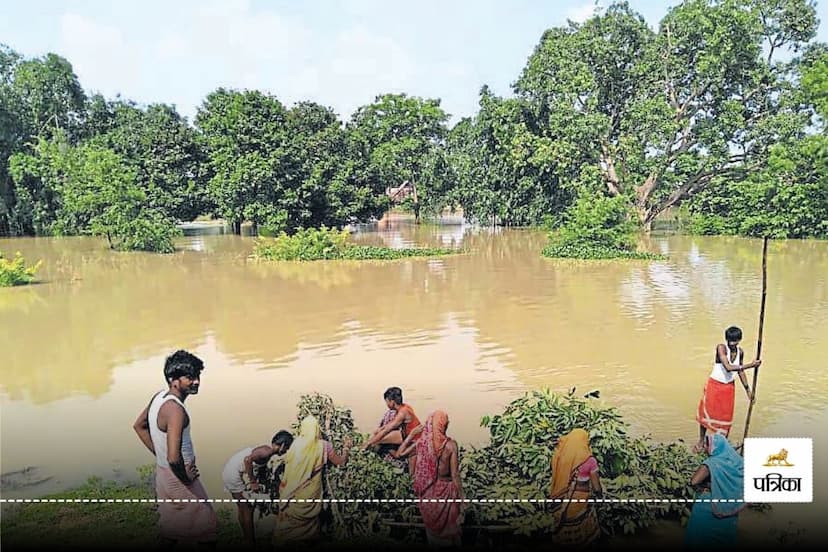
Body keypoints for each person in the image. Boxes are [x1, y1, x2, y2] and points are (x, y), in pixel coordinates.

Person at [133, 350, 217, 549]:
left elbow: (139, 426)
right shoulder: (175, 410)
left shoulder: (158, 398)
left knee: (171, 523)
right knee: (207, 527)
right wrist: (185, 476)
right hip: (179, 475)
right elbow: (173, 457)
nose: (196, 381)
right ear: (173, 380)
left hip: (164, 475)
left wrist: (160, 455)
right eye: (190, 377)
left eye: (197, 376)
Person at [273, 415, 352, 544]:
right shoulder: (323, 446)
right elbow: (341, 462)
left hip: (290, 494)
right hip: (309, 497)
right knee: (308, 531)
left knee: (287, 529)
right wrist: (346, 448)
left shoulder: (295, 445)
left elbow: (288, 471)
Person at [397, 410, 464, 547]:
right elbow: (455, 475)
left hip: (429, 494)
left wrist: (411, 435)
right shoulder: (451, 446)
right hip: (447, 493)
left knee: (433, 538)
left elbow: (400, 454)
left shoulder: (422, 443)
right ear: (443, 425)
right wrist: (462, 500)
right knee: (452, 534)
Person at [222, 430, 294, 546]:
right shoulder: (266, 452)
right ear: (283, 445)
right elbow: (247, 460)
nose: (286, 451)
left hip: (231, 470)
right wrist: (253, 482)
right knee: (248, 509)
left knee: (242, 507)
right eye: (287, 448)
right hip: (233, 474)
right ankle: (250, 542)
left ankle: (246, 537)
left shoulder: (267, 451)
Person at [695, 326, 762, 451]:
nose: (732, 343)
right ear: (726, 339)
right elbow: (728, 367)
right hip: (715, 385)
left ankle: (721, 445)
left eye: (735, 341)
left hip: (729, 388)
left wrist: (748, 390)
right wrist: (751, 365)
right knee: (706, 415)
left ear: (739, 340)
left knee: (726, 417)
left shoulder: (740, 352)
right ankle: (701, 441)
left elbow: (740, 372)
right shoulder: (721, 348)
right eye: (730, 340)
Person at [685, 433, 745, 548]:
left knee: (700, 537)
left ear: (714, 448)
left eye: (707, 445)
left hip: (709, 505)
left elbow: (694, 481)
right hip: (730, 504)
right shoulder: (737, 461)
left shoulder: (711, 463)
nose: (706, 449)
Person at [548, 428, 603, 548]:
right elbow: (596, 487)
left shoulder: (560, 456)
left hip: (560, 501)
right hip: (579, 504)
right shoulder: (590, 461)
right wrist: (600, 497)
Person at [362, 386, 421, 451]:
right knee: (378, 434)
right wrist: (381, 428)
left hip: (412, 437)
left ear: (392, 402)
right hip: (405, 433)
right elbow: (391, 424)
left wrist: (368, 443)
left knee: (378, 440)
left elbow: (386, 430)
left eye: (387, 402)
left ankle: (364, 450)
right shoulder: (405, 406)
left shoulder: (403, 412)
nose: (386, 404)